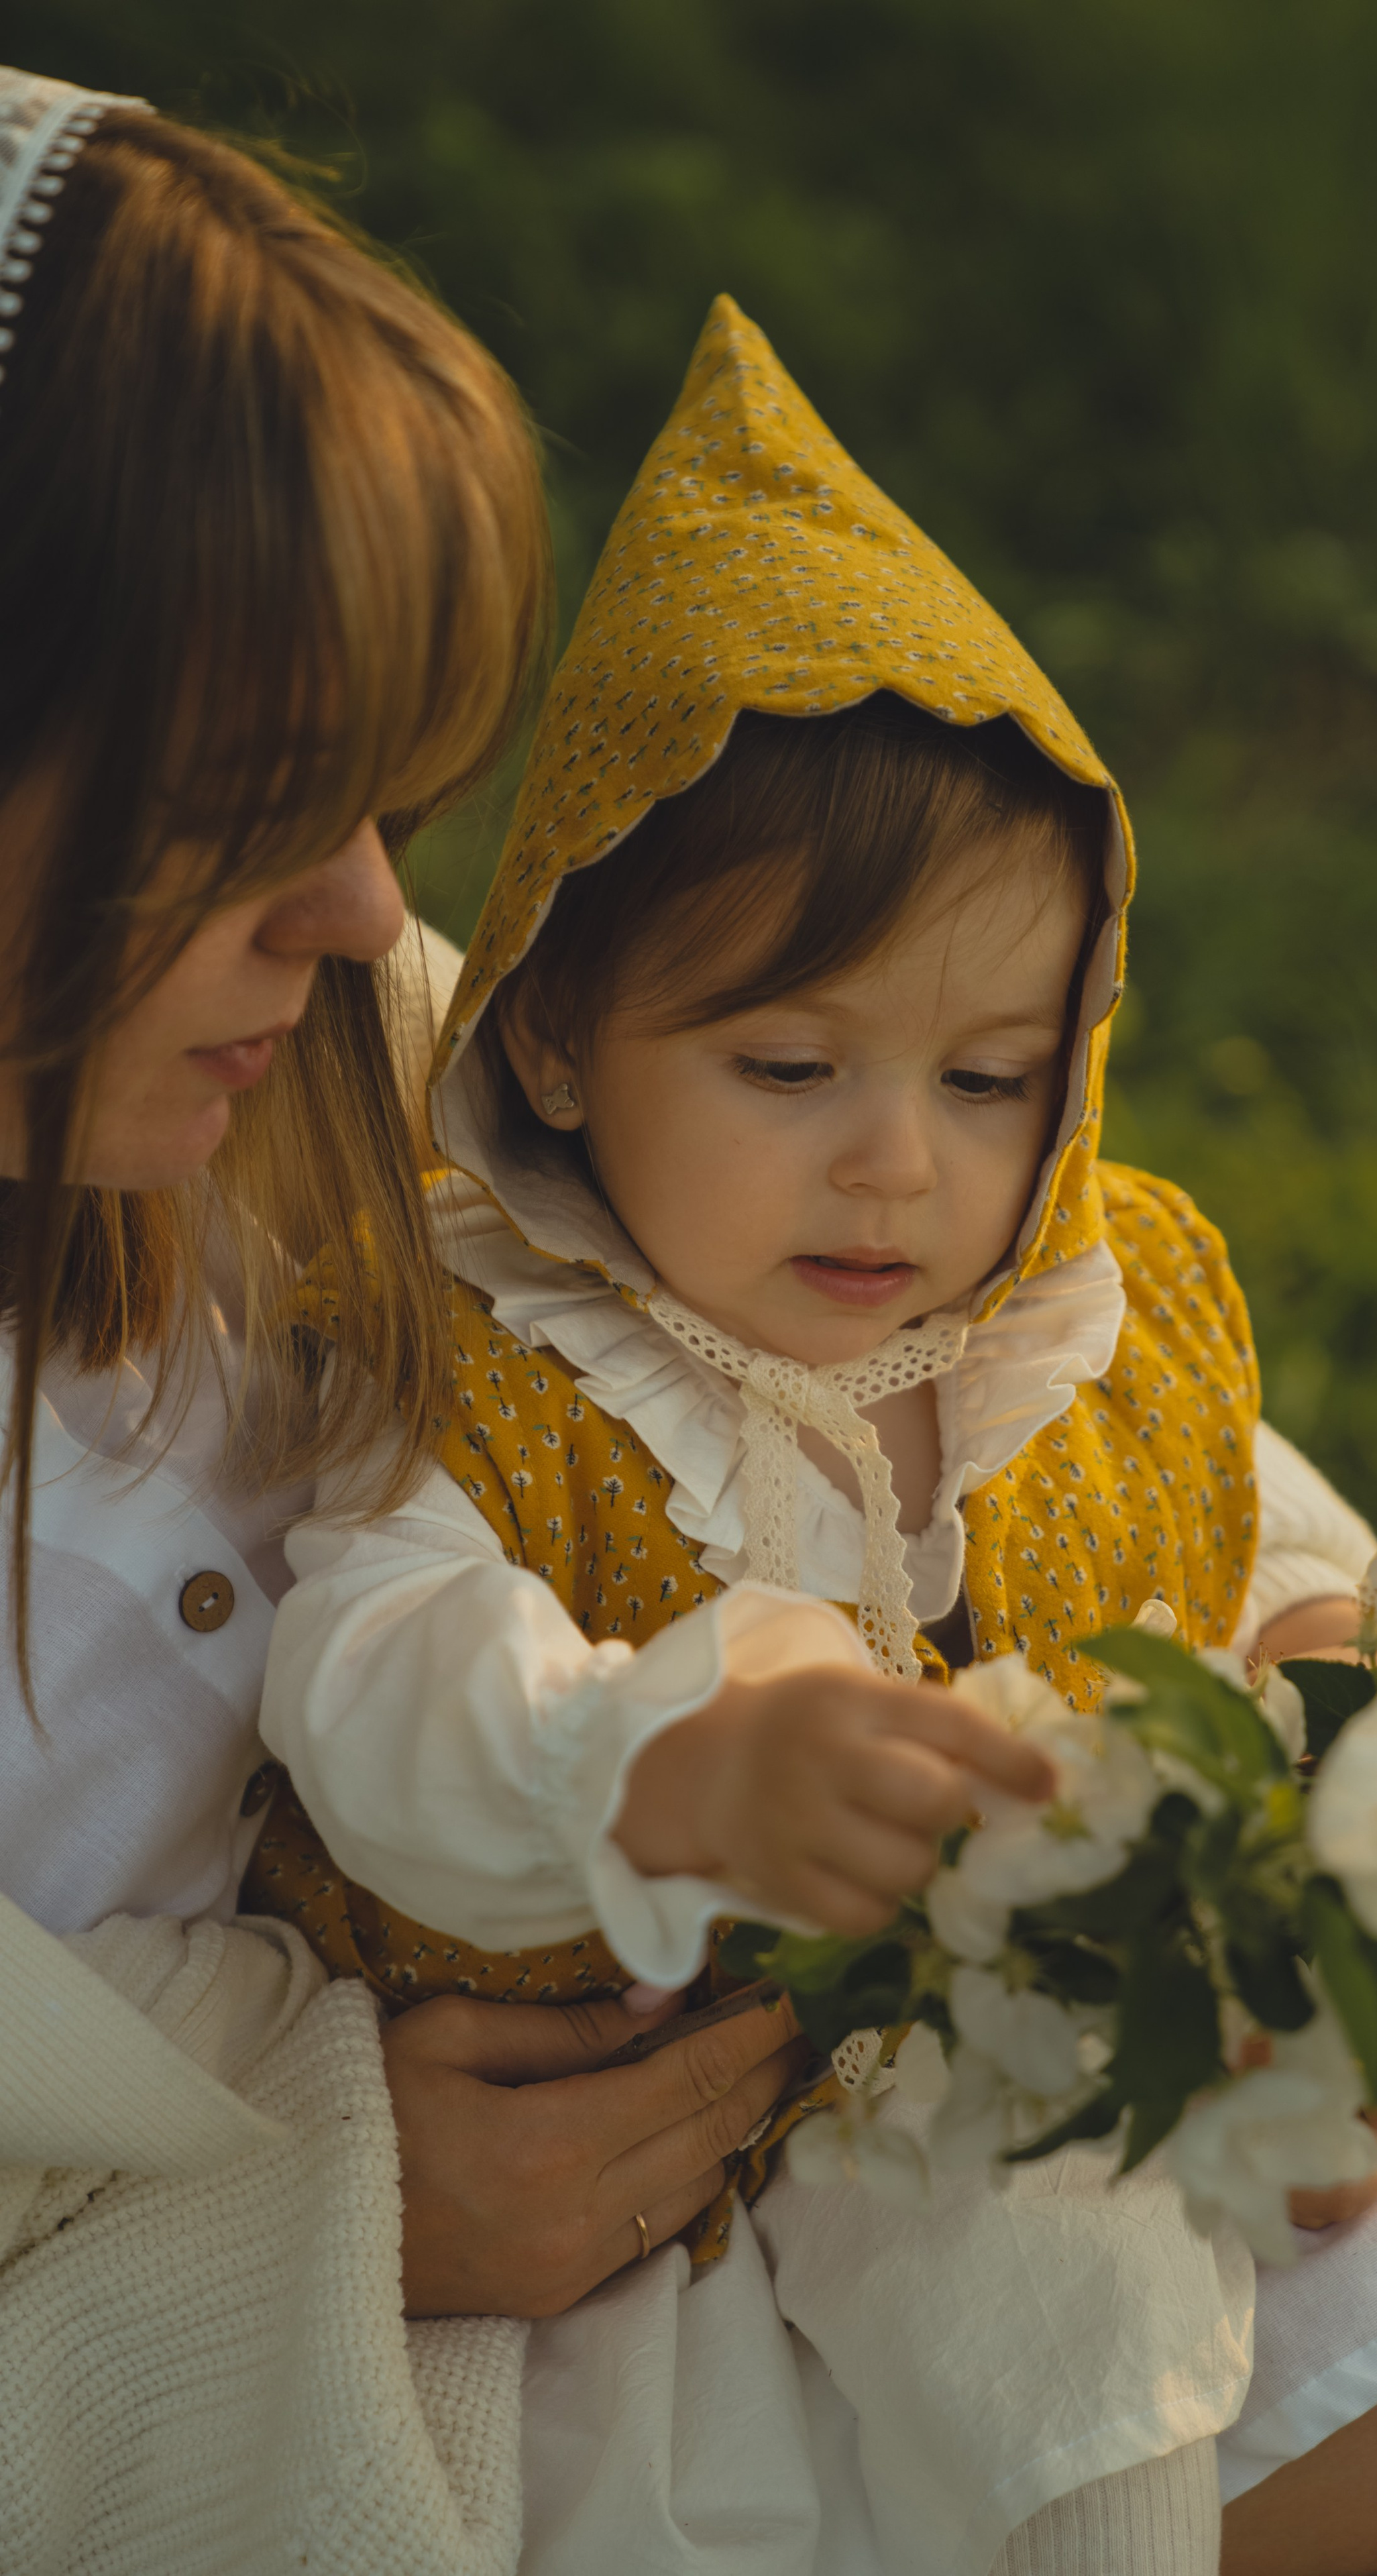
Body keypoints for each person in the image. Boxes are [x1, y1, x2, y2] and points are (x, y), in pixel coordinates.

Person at [255, 296, 1377, 2576]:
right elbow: (370, 1668)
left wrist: (1320, 1671)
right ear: (549, 1034)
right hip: (715, 2218)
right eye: (787, 1067)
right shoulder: (488, 1363)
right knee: (1080, 2317)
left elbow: (1224, 1546)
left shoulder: (1078, 1318)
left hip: (1104, 2092)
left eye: (986, 1077)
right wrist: (653, 1763)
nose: (897, 1175)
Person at [0, 70, 808, 2575]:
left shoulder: (310, 1080)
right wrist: (331, 2246)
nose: (360, 911)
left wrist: (1310, 1602)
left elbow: (824, 1256)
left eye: (387, 799)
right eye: (247, 799)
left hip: (682, 2269)